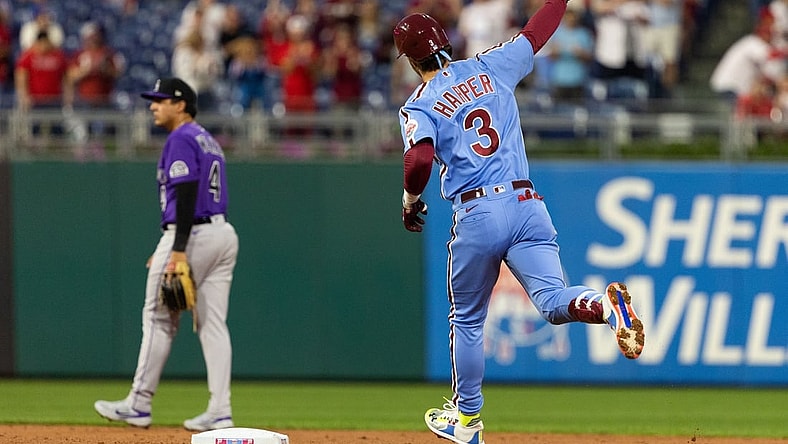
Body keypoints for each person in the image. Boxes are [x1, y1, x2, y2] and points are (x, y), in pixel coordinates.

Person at [392, 4, 645, 444]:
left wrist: (411, 199)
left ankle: (467, 420)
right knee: (550, 300)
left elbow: (419, 159)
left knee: (468, 319)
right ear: (445, 43)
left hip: (478, 212)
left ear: (412, 61)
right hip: (528, 203)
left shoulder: (419, 104)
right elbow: (537, 30)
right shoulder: (492, 64)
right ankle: (607, 307)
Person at [94, 77, 239, 433]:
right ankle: (220, 410)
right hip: (222, 233)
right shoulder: (207, 139)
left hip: (191, 235)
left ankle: (138, 403)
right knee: (213, 325)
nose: (153, 106)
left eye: (160, 100)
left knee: (158, 318)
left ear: (181, 104)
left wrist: (176, 249)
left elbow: (187, 192)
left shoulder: (181, 138)